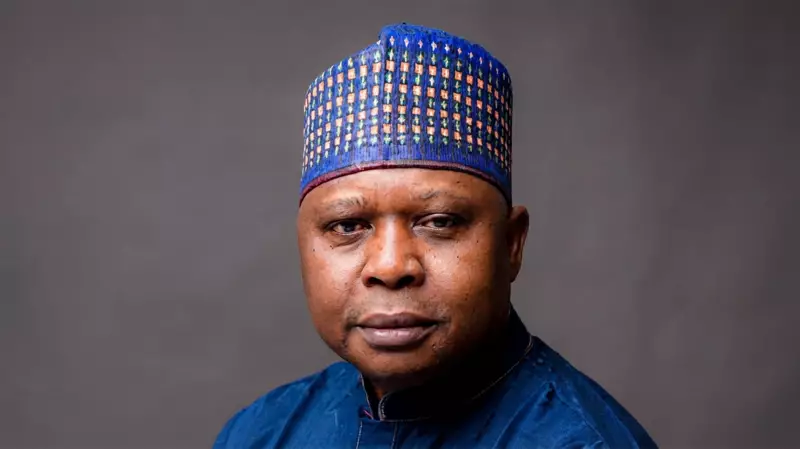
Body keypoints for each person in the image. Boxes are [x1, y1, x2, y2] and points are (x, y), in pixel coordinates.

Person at [212, 23, 657, 448]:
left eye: (439, 221)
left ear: (511, 244)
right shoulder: (259, 434)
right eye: (347, 226)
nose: (390, 266)